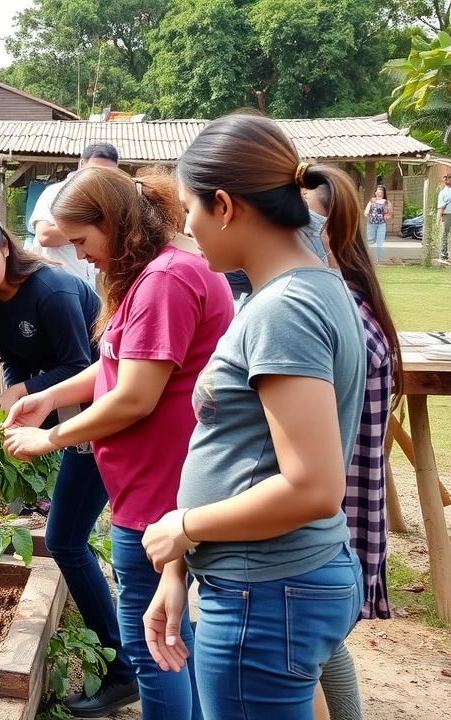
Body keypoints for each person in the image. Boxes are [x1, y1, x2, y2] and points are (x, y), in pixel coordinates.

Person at [141, 114, 366, 720]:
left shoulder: (284, 309)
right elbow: (246, 455)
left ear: (223, 205)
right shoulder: (303, 284)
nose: (186, 226)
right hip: (275, 582)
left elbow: (312, 487)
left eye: (189, 207)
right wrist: (179, 568)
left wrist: (185, 526)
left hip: (264, 593)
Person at [3, 166, 231, 719]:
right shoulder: (155, 273)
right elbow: (115, 364)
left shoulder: (165, 281)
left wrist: (50, 436)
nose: (81, 256)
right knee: (172, 639)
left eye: (82, 240)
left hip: (157, 492)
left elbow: (134, 397)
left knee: (155, 648)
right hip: (145, 487)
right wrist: (49, 396)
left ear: (112, 222)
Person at [0, 206, 137, 716]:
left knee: (74, 540)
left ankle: (126, 668)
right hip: (70, 419)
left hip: (105, 419)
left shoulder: (52, 289)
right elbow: (16, 361)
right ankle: (126, 663)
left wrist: (25, 397)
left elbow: (83, 366)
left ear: (5, 247)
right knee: (69, 539)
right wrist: (21, 409)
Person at [304, 179, 402, 720]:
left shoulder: (336, 318)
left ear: (335, 229)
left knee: (309, 653)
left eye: (305, 217)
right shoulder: (342, 305)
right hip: (337, 522)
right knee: (322, 650)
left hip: (328, 523)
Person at [26, 143, 120, 286]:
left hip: (91, 288)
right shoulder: (55, 193)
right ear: (81, 164)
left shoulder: (110, 202)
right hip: (56, 286)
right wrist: (94, 227)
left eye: (108, 174)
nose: (100, 178)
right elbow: (45, 236)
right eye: (95, 170)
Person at [364, 185, 391, 261]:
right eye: (378, 191)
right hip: (371, 224)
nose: (379, 193)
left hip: (381, 224)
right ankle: (367, 258)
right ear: (375, 192)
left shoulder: (386, 202)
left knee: (380, 242)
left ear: (383, 194)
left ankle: (378, 259)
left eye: (381, 192)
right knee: (370, 240)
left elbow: (388, 213)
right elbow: (366, 212)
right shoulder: (372, 201)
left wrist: (387, 215)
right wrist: (367, 214)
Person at [439, 174, 451, 262]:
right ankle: (444, 253)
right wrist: (439, 217)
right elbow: (440, 206)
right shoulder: (443, 192)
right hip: (446, 214)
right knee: (444, 234)